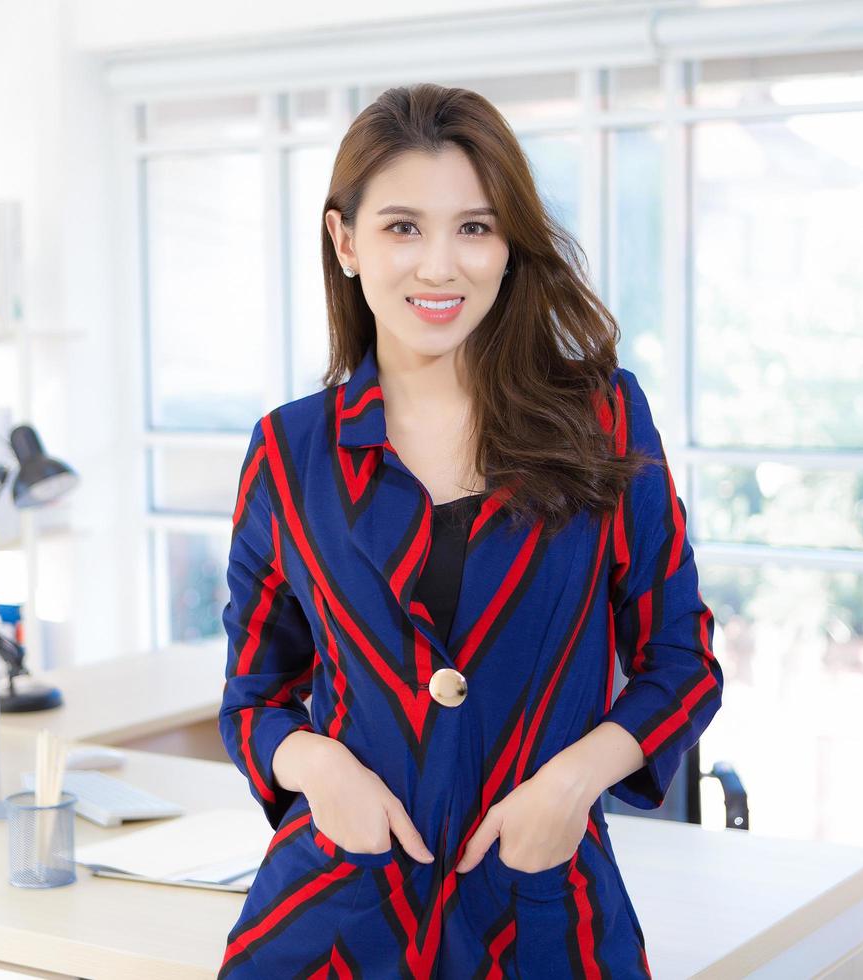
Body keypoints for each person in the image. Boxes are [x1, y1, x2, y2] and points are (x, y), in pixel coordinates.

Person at [216, 82, 723, 979]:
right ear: (345, 241)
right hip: (334, 914)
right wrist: (321, 772)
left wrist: (570, 786)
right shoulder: (290, 452)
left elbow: (681, 667)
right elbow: (254, 698)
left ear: (507, 246)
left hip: (541, 912)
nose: (439, 266)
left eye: (475, 228)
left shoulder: (603, 418)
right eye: (403, 228)